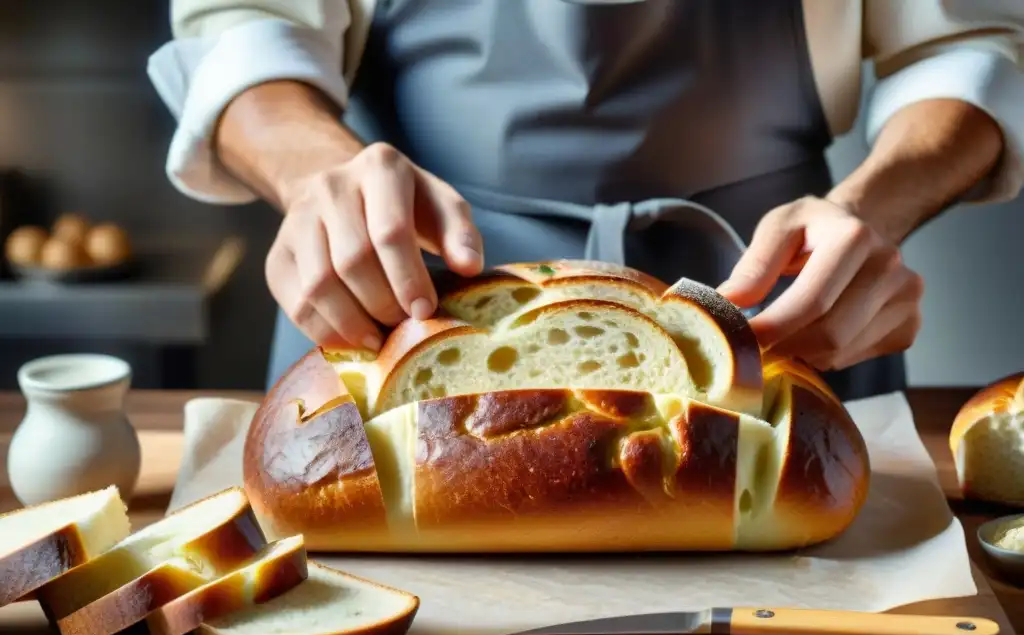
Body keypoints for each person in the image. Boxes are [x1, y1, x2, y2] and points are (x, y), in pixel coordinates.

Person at [148, 0, 1024, 400]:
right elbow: (244, 29)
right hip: (408, 318)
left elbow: (968, 44)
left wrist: (871, 213)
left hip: (778, 316)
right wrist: (314, 176)